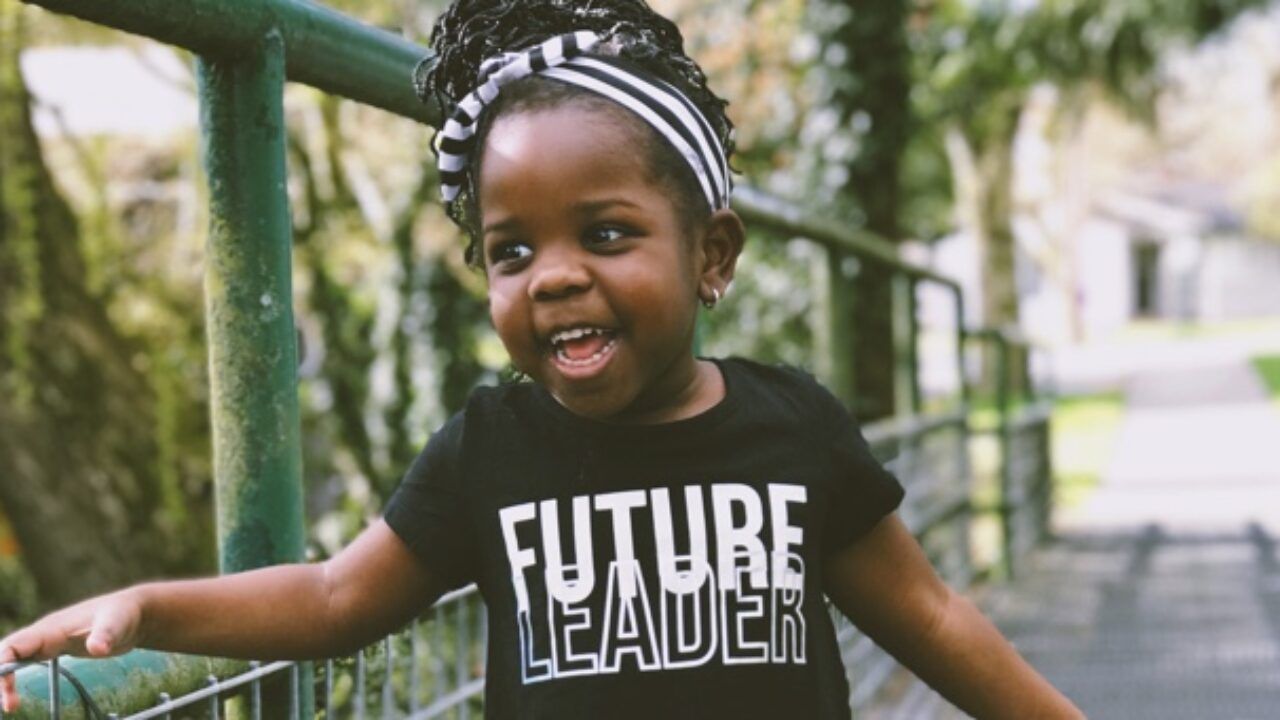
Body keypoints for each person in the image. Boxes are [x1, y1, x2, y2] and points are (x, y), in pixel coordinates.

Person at [0, 1, 1083, 717]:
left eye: (605, 234)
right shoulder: (490, 449)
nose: (553, 277)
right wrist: (151, 608)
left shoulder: (792, 428)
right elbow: (334, 599)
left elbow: (930, 615)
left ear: (711, 254)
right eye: (511, 251)